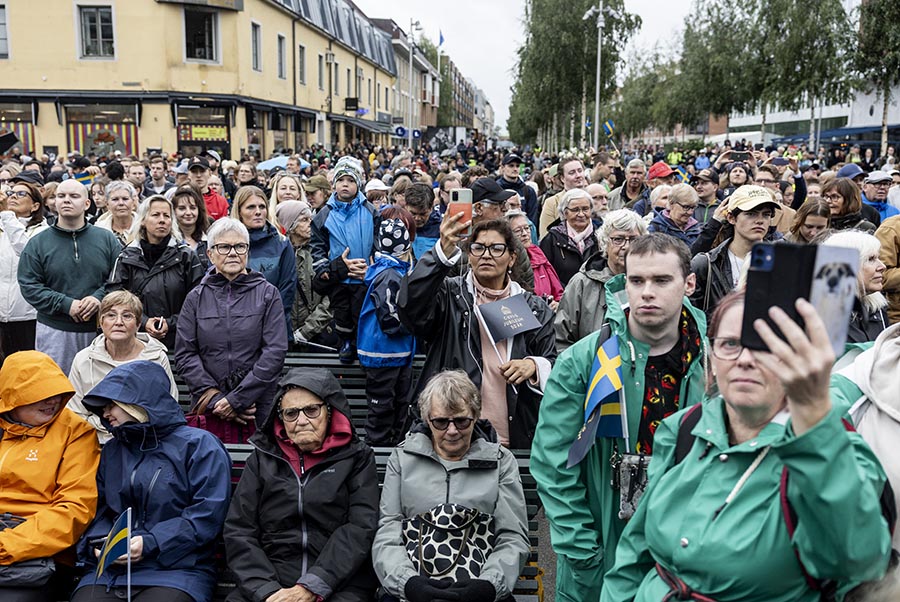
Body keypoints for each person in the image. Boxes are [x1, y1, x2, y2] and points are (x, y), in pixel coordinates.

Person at [601, 290, 893, 601]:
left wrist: (814, 425)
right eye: (730, 344)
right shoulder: (685, 427)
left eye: (765, 347)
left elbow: (858, 559)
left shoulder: (831, 447)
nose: (745, 360)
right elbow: (635, 553)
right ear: (712, 357)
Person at [531, 233, 707, 602]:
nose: (646, 292)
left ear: (688, 283)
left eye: (661, 280)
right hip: (602, 544)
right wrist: (581, 550)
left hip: (689, 549)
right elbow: (553, 461)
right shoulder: (585, 359)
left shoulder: (713, 361)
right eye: (636, 280)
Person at [71, 361, 231, 602]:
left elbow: (207, 513)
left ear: (136, 402)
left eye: (110, 405)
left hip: (179, 566)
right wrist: (99, 544)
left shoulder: (199, 445)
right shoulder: (114, 449)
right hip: (112, 569)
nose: (104, 414)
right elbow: (100, 510)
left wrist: (151, 542)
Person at [372, 370, 530, 602]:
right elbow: (388, 529)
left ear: (475, 416)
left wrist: (488, 585)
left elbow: (512, 536)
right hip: (414, 584)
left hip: (478, 585)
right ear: (427, 419)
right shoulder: (403, 457)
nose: (452, 430)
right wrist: (407, 583)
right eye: (441, 422)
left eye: (462, 420)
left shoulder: (500, 461)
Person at [399, 215, 556, 448]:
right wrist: (440, 254)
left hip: (517, 432)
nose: (486, 254)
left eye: (496, 248)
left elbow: (552, 359)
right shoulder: (451, 296)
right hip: (455, 432)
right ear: (469, 255)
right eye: (478, 247)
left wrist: (533, 365)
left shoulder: (533, 307)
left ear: (512, 258)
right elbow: (410, 305)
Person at [224, 368, 380, 602]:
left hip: (338, 580)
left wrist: (312, 586)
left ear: (329, 412)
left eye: (311, 410)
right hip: (271, 579)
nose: (302, 421)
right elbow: (239, 529)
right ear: (280, 419)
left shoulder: (357, 458)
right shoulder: (262, 460)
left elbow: (359, 528)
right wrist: (266, 591)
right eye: (291, 413)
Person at [174, 218, 288, 442]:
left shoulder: (268, 294)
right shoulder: (195, 298)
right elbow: (185, 354)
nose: (233, 253)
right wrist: (218, 400)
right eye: (224, 247)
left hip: (256, 406)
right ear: (210, 254)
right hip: (208, 405)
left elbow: (274, 352)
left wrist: (238, 399)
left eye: (239, 246)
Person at [0, 350, 100, 602]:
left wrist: (8, 545)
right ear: (12, 397)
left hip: (40, 549)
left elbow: (74, 509)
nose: (51, 401)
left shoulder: (75, 433)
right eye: (39, 395)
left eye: (56, 392)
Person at [17, 179, 121, 373]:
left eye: (74, 196)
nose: (66, 200)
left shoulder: (106, 239)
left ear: (87, 203)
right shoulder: (38, 243)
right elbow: (29, 285)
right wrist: (66, 304)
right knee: (56, 388)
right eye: (61, 196)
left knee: (98, 388)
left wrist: (98, 298)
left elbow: (120, 278)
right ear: (54, 202)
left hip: (100, 330)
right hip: (54, 331)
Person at [67, 290, 178, 443]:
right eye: (111, 315)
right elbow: (75, 413)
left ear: (138, 324)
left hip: (145, 440)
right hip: (96, 440)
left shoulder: (157, 357)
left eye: (127, 316)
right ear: (101, 322)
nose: (118, 322)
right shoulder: (83, 359)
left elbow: (167, 408)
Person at [107, 195, 204, 349]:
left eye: (166, 216)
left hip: (180, 341)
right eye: (155, 215)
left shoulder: (186, 256)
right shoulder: (126, 256)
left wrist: (170, 323)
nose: (162, 220)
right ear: (143, 220)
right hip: (135, 341)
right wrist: (144, 322)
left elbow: (199, 300)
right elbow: (114, 299)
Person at [310, 156, 378, 363]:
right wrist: (323, 267)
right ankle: (346, 341)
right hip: (339, 274)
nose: (345, 185)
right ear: (334, 184)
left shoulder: (369, 210)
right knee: (341, 311)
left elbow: (377, 239)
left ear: (358, 184)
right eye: (341, 180)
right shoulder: (325, 213)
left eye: (350, 180)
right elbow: (318, 243)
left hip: (363, 274)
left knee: (361, 310)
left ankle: (360, 342)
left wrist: (375, 264)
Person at [357, 212, 416, 446]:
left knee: (399, 404)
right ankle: (378, 450)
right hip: (384, 354)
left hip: (392, 354)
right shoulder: (390, 275)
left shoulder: (385, 271)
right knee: (382, 407)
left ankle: (391, 445)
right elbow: (390, 319)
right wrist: (413, 324)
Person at [554, 209, 647, 352]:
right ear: (605, 243)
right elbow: (561, 339)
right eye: (618, 239)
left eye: (634, 240)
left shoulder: (651, 284)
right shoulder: (582, 283)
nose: (626, 247)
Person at [690, 186, 780, 315]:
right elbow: (693, 319)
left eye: (766, 215)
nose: (760, 220)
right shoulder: (706, 264)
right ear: (731, 218)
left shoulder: (781, 260)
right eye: (751, 214)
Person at [231, 185, 297, 336]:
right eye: (251, 207)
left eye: (262, 206)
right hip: (235, 328)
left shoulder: (282, 244)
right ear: (239, 212)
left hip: (274, 327)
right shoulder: (226, 244)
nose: (258, 212)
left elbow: (287, 290)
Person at [274, 200, 334, 349]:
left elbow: (332, 297)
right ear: (290, 225)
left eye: (311, 219)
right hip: (285, 337)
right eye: (304, 220)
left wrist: (306, 331)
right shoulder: (278, 254)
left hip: (317, 336)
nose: (311, 223)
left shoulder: (321, 252)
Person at [0, 179, 48, 354]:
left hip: (27, 315)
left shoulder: (43, 231)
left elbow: (28, 253)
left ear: (35, 206)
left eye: (21, 194)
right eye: (11, 192)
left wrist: (6, 215)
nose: (13, 196)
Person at [825, 230, 889, 343]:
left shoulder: (876, 307)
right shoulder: (823, 315)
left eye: (878, 258)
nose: (882, 266)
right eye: (871, 259)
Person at [540, 188, 599, 287]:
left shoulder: (600, 237)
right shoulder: (552, 239)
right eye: (575, 210)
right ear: (565, 213)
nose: (581, 214)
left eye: (585, 209)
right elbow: (546, 275)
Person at [509, 210, 563, 308]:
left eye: (527, 228)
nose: (525, 233)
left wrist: (558, 304)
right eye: (518, 231)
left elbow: (558, 291)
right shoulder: (508, 262)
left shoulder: (537, 253)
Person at [539, 156, 587, 237]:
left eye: (580, 171)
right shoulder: (552, 203)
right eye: (572, 173)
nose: (578, 175)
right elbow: (545, 236)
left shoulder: (594, 196)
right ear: (562, 178)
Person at [172, 185, 211, 268]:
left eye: (193, 208)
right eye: (182, 208)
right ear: (174, 211)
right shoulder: (170, 241)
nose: (188, 212)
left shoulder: (209, 239)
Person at [96, 180, 138, 246]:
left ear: (133, 202)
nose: (121, 203)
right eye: (115, 199)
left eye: (125, 199)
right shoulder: (99, 229)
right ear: (107, 204)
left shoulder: (143, 226)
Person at [188, 155, 229, 220]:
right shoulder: (181, 198)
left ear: (210, 173)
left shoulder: (220, 201)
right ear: (188, 174)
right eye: (194, 172)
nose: (198, 175)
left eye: (202, 171)